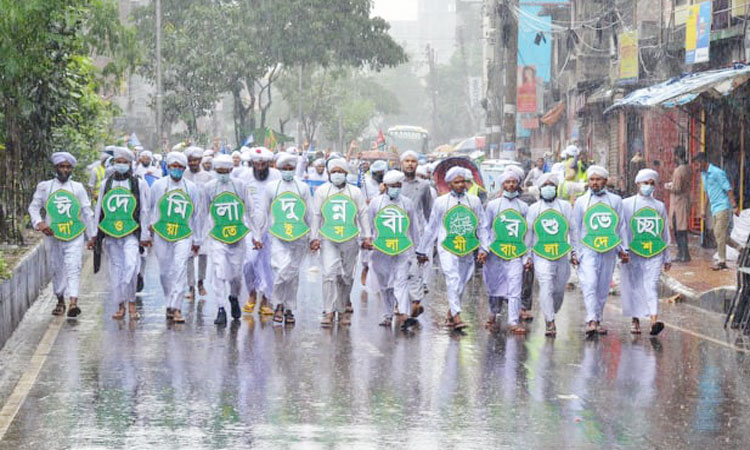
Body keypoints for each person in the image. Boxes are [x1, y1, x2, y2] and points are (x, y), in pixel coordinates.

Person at [417, 167, 488, 330]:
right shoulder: (441, 202)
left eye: (463, 181)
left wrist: (484, 248)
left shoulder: (474, 201)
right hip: (447, 246)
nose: (461, 185)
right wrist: (422, 250)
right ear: (449, 184)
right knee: (453, 278)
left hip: (467, 246)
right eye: (457, 182)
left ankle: (451, 312)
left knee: (462, 280)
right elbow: (432, 227)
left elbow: (482, 225)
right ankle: (456, 315)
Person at [29, 152, 96, 318]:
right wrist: (40, 224)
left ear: (72, 169)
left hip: (75, 233)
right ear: (56, 167)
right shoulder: (44, 187)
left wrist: (92, 235)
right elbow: (34, 208)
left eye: (68, 167)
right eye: (62, 166)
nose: (65, 170)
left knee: (74, 267)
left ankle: (74, 302)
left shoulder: (78, 188)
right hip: (53, 235)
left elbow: (86, 212)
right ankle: (60, 299)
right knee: (57, 267)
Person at [88, 147, 151, 320]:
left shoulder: (138, 183)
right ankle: (121, 306)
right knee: (116, 270)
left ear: (130, 164)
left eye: (125, 162)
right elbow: (99, 208)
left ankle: (131, 303)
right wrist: (95, 234)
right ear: (114, 163)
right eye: (118, 162)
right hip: (110, 234)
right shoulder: (106, 184)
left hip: (131, 233)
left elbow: (144, 210)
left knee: (130, 266)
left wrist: (144, 235)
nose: (121, 165)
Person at [251, 152, 313, 325]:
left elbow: (310, 214)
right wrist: (257, 235)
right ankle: (278, 304)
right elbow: (263, 212)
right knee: (280, 268)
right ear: (278, 169)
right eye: (284, 168)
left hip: (299, 236)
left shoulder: (303, 188)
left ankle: (289, 309)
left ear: (294, 169)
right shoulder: (272, 188)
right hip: (277, 236)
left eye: (290, 168)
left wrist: (314, 237)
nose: (287, 171)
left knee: (293, 275)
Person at [310, 158, 372, 327]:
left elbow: (363, 213)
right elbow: (316, 215)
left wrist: (367, 235)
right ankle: (328, 311)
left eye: (340, 171)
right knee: (329, 273)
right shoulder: (322, 191)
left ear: (346, 173)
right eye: (334, 171)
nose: (337, 174)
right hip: (328, 238)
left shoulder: (355, 192)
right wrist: (314, 237)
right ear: (329, 174)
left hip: (350, 238)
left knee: (346, 275)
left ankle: (342, 308)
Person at [572, 165, 629, 337]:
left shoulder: (615, 201)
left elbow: (621, 226)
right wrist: (574, 252)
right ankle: (591, 320)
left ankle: (597, 318)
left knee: (603, 286)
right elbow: (576, 228)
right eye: (592, 179)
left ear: (605, 181)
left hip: (608, 248)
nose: (594, 183)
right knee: (589, 283)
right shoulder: (581, 202)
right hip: (587, 249)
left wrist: (623, 249)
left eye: (598, 179)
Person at [148, 152, 204, 323]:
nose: (177, 170)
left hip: (183, 233)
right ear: (168, 167)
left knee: (179, 268)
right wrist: (149, 229)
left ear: (184, 168)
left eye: (180, 167)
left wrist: (197, 239)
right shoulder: (158, 185)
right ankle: (169, 303)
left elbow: (197, 215)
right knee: (165, 271)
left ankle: (177, 307)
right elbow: (150, 209)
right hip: (162, 233)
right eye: (174, 166)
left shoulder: (191, 188)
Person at [368, 170, 423, 328]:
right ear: (385, 186)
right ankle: (387, 314)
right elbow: (369, 226)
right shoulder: (375, 203)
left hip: (402, 249)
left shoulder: (407, 203)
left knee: (401, 281)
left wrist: (418, 250)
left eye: (398, 185)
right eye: (392, 186)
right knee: (385, 285)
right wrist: (366, 243)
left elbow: (414, 229)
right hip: (380, 251)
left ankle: (405, 316)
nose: (395, 188)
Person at [620, 169, 671, 336]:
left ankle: (654, 321)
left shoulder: (659, 206)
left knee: (651, 286)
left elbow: (664, 232)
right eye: (645, 183)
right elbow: (621, 228)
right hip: (633, 252)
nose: (648, 186)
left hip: (654, 252)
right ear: (638, 184)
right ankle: (635, 318)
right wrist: (622, 250)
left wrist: (667, 256)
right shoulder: (626, 204)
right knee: (635, 285)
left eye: (651, 183)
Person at [526, 173, 577, 337]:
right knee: (546, 285)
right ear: (540, 189)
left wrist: (575, 251)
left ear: (556, 188)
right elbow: (528, 234)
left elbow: (573, 230)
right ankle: (550, 321)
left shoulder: (565, 207)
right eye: (545, 185)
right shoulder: (534, 209)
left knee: (558, 290)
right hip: (541, 254)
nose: (548, 188)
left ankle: (551, 311)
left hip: (562, 253)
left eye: (551, 185)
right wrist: (527, 256)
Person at [203, 154, 252, 325]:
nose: (222, 173)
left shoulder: (240, 186)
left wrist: (256, 234)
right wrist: (200, 237)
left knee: (236, 275)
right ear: (215, 170)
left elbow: (249, 210)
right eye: (219, 171)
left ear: (231, 170)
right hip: (217, 236)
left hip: (237, 236)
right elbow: (203, 212)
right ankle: (221, 308)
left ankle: (233, 297)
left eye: (225, 171)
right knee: (219, 271)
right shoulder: (209, 187)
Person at [481, 169, 530, 334]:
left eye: (514, 182)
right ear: (503, 184)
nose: (511, 185)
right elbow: (485, 229)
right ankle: (492, 315)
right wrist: (485, 249)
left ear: (518, 184)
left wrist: (527, 256)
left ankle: (513, 321)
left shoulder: (523, 207)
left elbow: (528, 233)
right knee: (496, 286)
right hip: (495, 253)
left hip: (516, 253)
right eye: (507, 182)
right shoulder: (493, 206)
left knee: (515, 286)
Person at [241, 147, 279, 315]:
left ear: (269, 164)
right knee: (249, 262)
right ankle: (251, 294)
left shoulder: (277, 177)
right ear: (252, 164)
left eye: (264, 164)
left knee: (269, 264)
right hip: (249, 225)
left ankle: (266, 300)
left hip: (272, 225)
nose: (261, 167)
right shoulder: (244, 178)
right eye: (257, 164)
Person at [400, 151, 434, 311]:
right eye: (406, 161)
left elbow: (429, 212)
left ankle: (415, 301)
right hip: (396, 232)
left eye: (413, 161)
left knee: (415, 267)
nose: (410, 164)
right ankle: (398, 303)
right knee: (398, 268)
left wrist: (432, 235)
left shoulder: (424, 186)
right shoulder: (394, 184)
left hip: (416, 234)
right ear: (402, 163)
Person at [693, 152, 738, 270]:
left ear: (703, 162)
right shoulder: (704, 174)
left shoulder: (717, 173)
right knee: (719, 234)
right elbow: (708, 193)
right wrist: (703, 209)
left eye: (697, 165)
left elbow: (728, 189)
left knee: (719, 233)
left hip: (723, 207)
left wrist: (734, 206)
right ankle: (741, 249)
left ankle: (722, 261)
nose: (696, 168)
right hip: (714, 208)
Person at [183, 146, 214, 300]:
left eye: (195, 160)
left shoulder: (208, 177)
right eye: (190, 160)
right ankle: (190, 286)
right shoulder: (182, 176)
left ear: (200, 161)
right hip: (186, 219)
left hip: (204, 220)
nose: (193, 163)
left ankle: (201, 282)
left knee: (203, 252)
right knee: (188, 254)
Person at [667, 146, 692, 262]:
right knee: (682, 229)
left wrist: (667, 186)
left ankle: (682, 254)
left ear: (677, 156)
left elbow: (676, 188)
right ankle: (684, 253)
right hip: (685, 201)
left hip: (678, 203)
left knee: (679, 230)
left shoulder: (678, 170)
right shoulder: (688, 168)